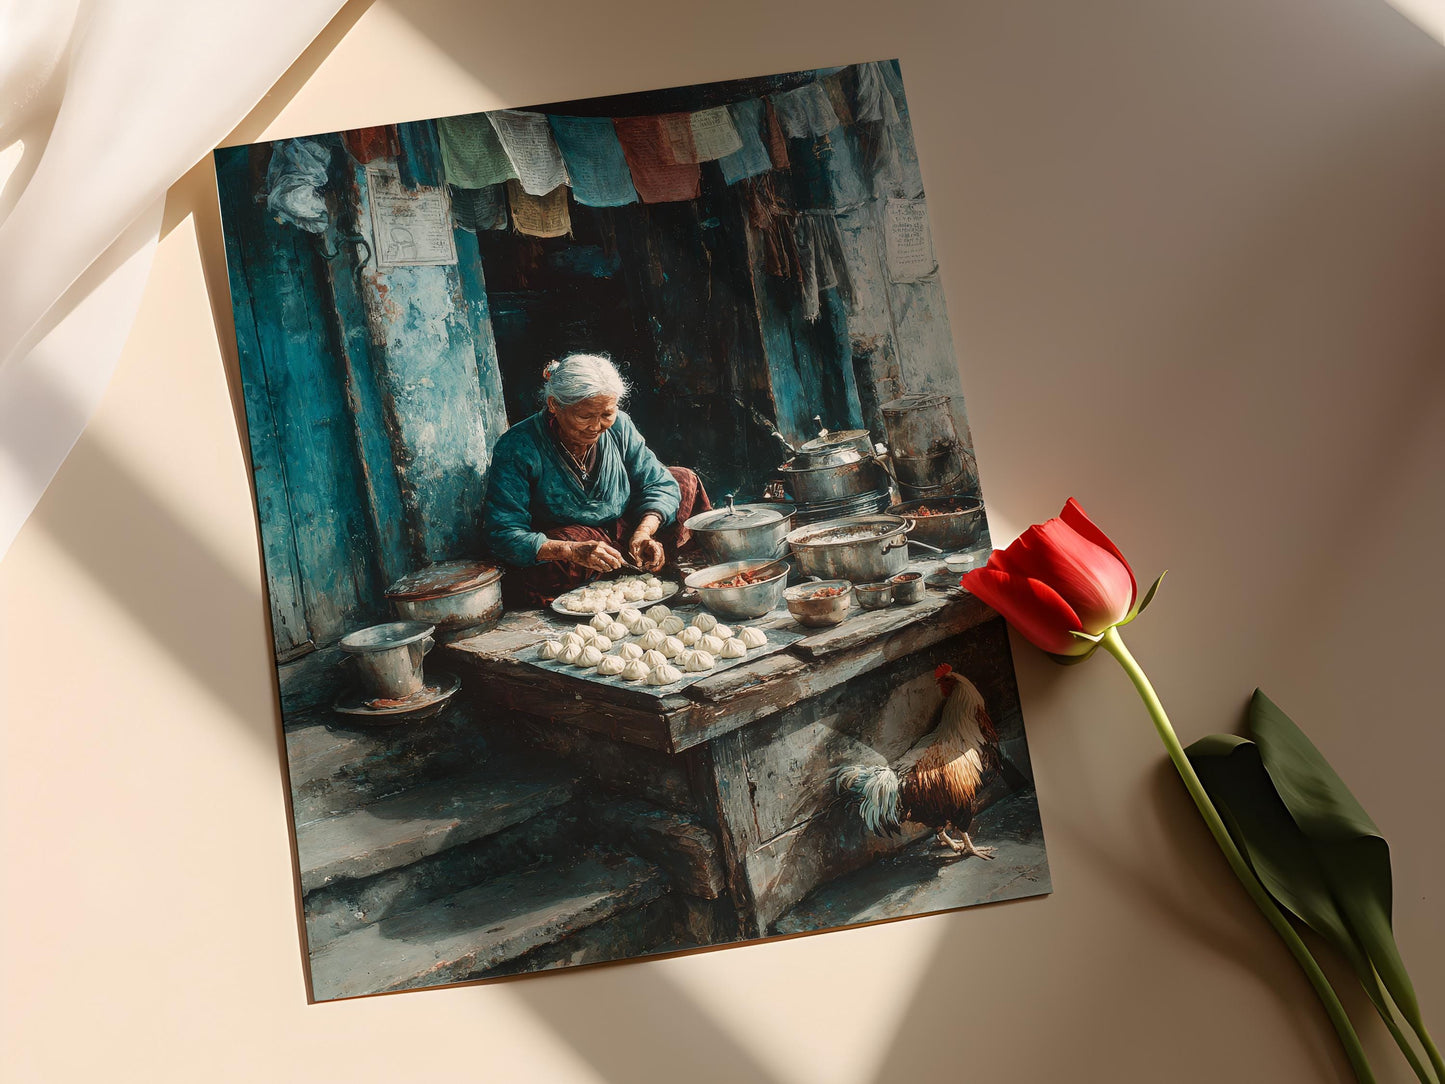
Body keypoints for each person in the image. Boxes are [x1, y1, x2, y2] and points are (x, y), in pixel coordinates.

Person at [482, 353, 711, 608]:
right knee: (547, 564)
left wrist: (643, 532)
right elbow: (503, 533)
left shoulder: (619, 426)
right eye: (585, 416)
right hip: (575, 543)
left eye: (607, 414)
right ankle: (620, 574)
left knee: (683, 480)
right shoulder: (518, 446)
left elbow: (657, 482)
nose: (596, 426)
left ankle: (652, 562)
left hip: (624, 527)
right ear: (554, 405)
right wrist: (570, 551)